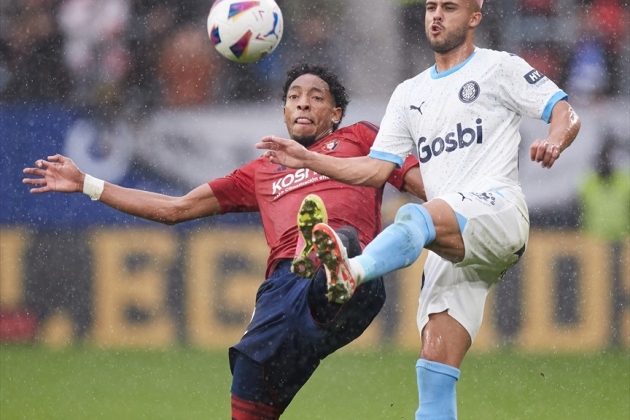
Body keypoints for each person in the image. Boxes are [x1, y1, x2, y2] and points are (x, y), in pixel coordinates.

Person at [22, 62, 422, 419]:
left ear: (335, 114)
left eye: (316, 98)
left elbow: (415, 181)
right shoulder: (262, 170)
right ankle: (321, 262)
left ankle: (328, 258)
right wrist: (87, 183)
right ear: (283, 112)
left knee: (342, 240)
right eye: (294, 98)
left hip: (359, 273)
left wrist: (457, 207)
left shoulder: (361, 137)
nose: (303, 104)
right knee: (250, 380)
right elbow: (175, 208)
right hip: (282, 294)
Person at [256, 1, 581, 419]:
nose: (437, 15)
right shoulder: (409, 94)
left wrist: (555, 138)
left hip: (497, 210)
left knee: (415, 215)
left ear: (474, 18)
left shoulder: (500, 68)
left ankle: (350, 270)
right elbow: (376, 169)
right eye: (431, 6)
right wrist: (309, 159)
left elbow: (564, 111)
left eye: (449, 7)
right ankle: (351, 269)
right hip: (453, 245)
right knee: (432, 379)